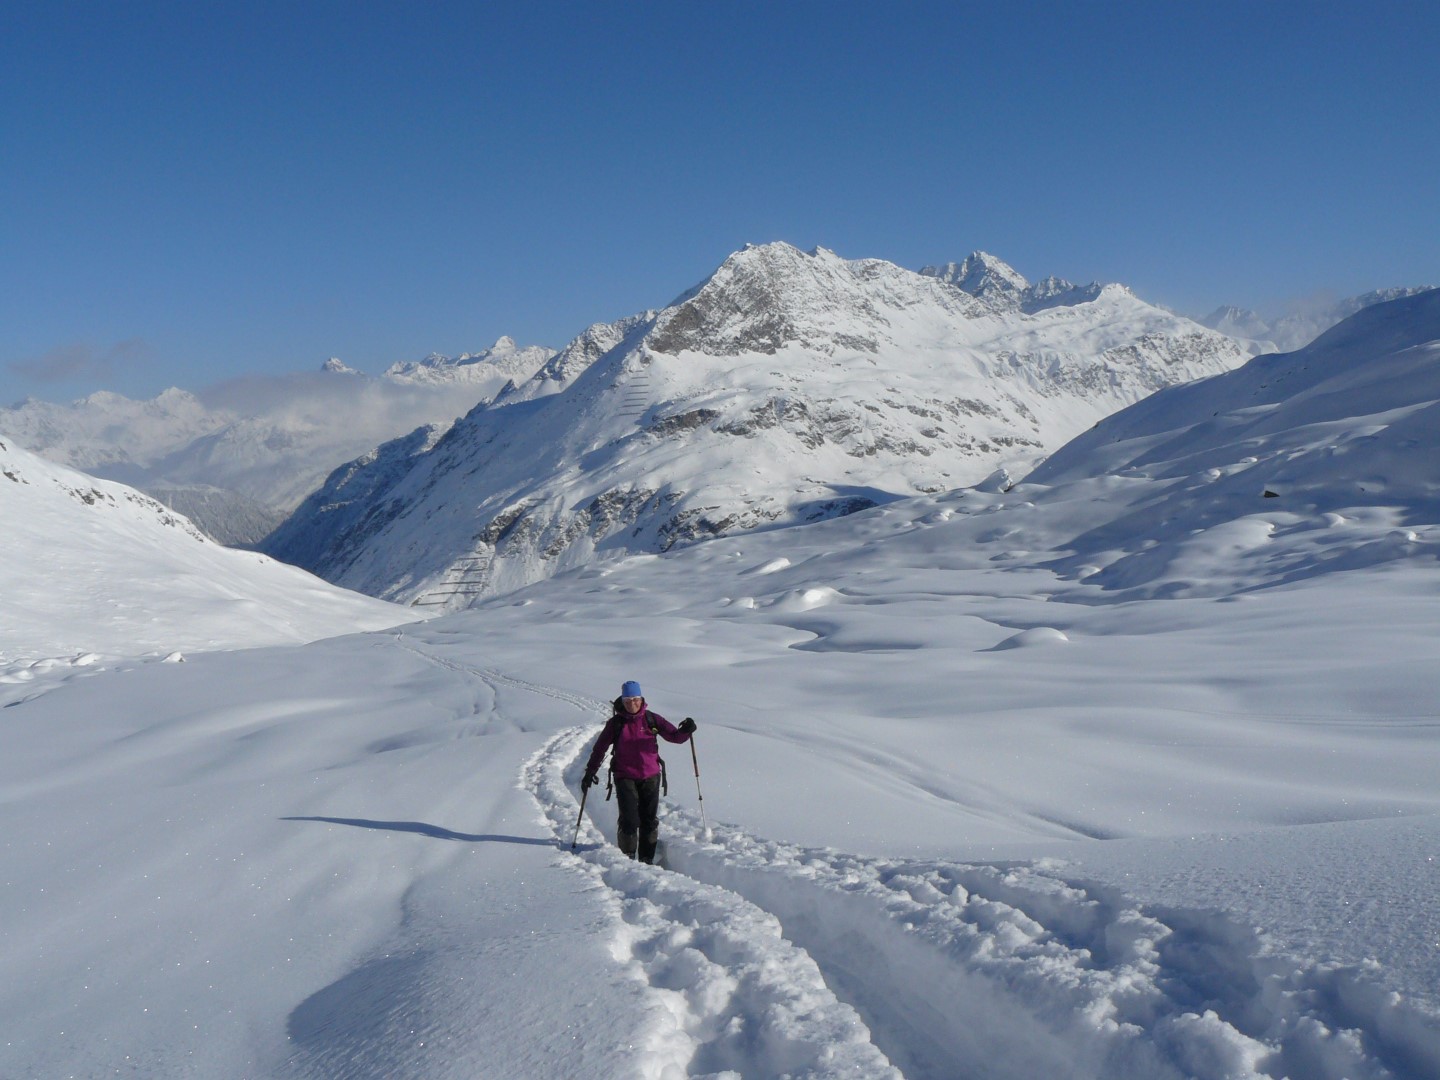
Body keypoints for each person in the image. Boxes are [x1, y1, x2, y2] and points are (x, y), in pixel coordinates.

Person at [582, 680, 696, 863]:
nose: (632, 704)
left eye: (635, 699)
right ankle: (627, 858)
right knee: (629, 820)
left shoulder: (651, 719)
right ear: (622, 701)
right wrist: (590, 771)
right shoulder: (616, 724)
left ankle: (646, 858)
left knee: (649, 820)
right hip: (624, 776)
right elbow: (600, 748)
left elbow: (674, 736)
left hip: (651, 776)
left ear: (641, 699)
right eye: (628, 700)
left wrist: (686, 731)